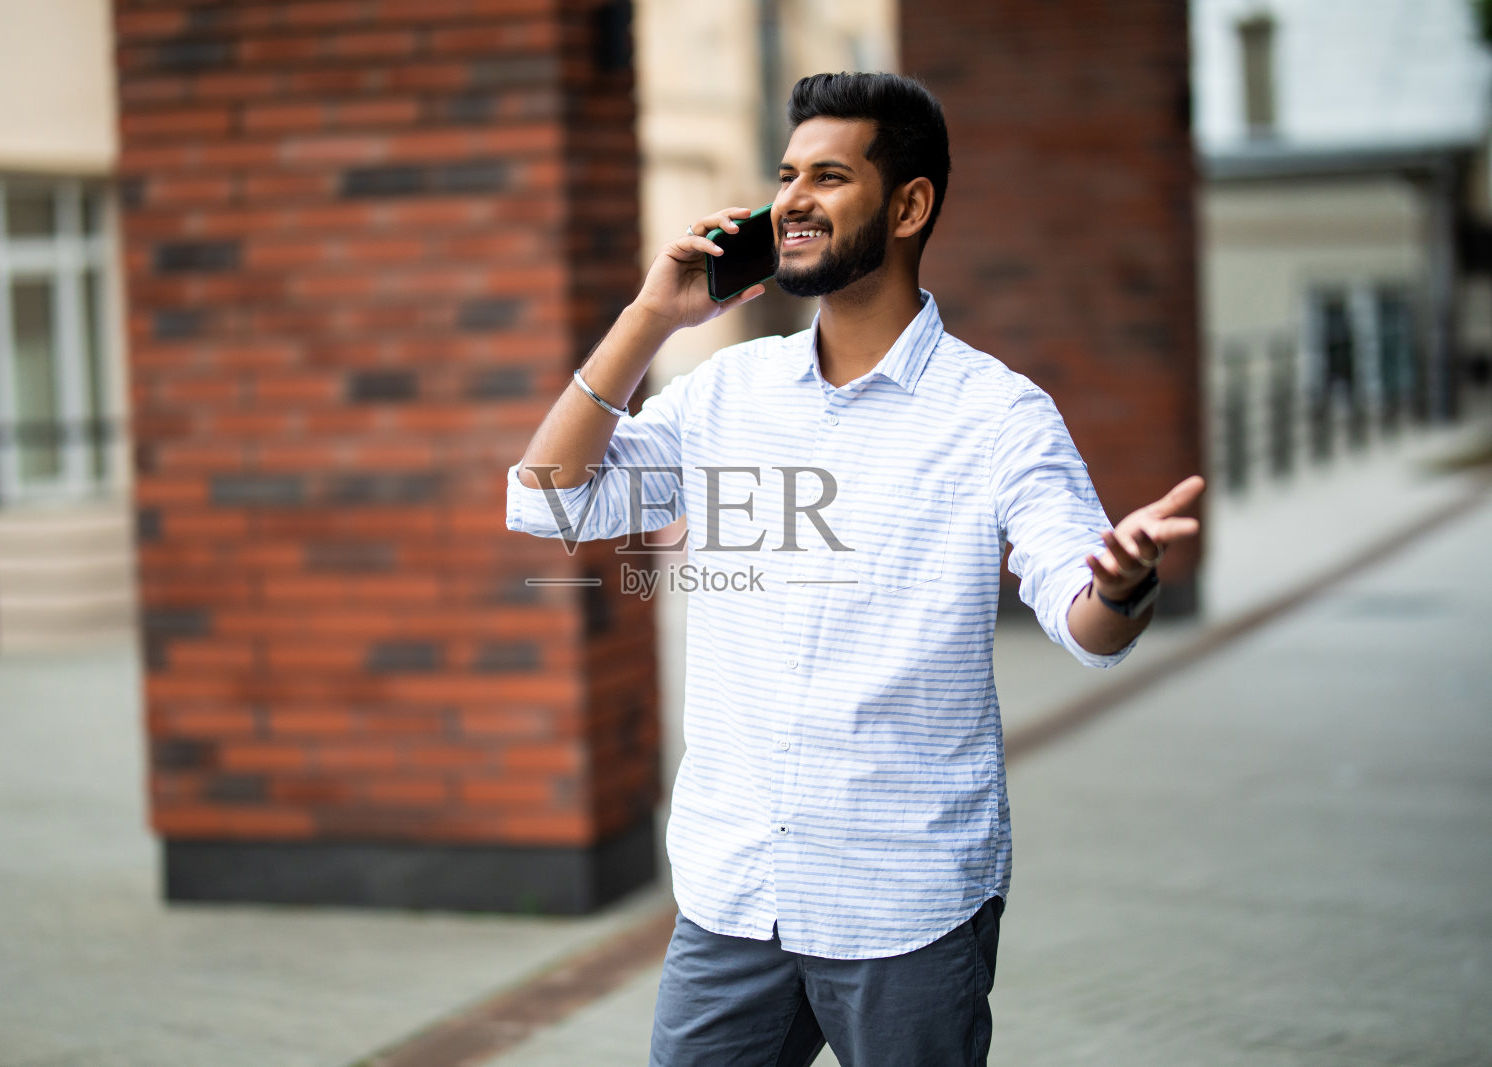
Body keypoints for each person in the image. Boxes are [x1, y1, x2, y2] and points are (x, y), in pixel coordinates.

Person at [505, 72, 1204, 1067]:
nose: (791, 198)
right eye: (786, 174)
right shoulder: (729, 391)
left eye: (828, 176)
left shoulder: (996, 414)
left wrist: (1124, 580)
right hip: (734, 892)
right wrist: (650, 319)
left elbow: (1082, 619)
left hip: (905, 903)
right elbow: (548, 499)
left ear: (910, 205)